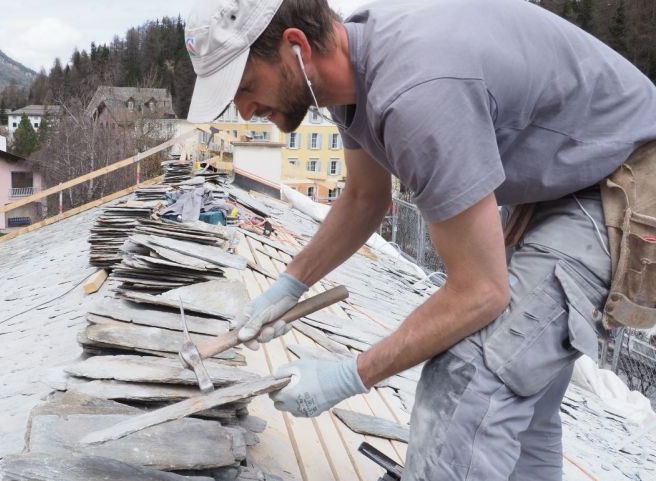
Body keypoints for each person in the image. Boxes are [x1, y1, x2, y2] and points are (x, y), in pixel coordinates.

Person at [183, 0, 656, 480]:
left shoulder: (417, 92)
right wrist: (288, 286)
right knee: (518, 401)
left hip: (628, 180)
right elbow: (365, 198)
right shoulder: (354, 77)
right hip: (569, 181)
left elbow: (480, 292)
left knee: (470, 379)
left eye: (245, 86)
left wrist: (350, 376)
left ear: (297, 48)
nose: (244, 112)